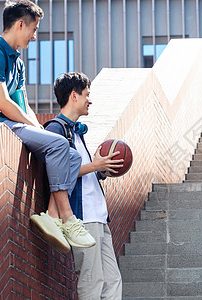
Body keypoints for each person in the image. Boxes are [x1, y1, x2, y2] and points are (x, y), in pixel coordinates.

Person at [0, 0, 95, 253]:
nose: (34, 37)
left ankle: (51, 215)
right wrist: (37, 130)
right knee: (59, 144)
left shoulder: (18, 63)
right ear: (20, 24)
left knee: (70, 155)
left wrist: (41, 130)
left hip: (14, 124)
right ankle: (67, 218)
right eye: (34, 30)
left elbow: (23, 105)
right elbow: (3, 103)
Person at [45, 72, 123, 299]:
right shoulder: (56, 129)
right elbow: (56, 174)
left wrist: (99, 170)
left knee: (113, 280)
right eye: (87, 94)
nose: (90, 100)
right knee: (92, 279)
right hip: (82, 217)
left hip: (99, 216)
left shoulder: (76, 132)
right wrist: (93, 165)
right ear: (74, 96)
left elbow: (79, 174)